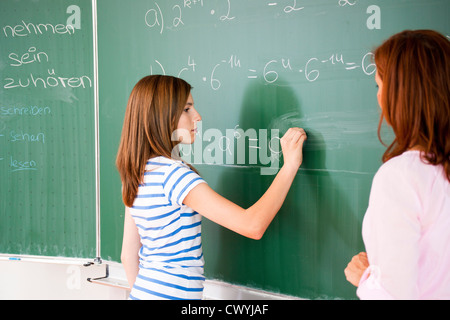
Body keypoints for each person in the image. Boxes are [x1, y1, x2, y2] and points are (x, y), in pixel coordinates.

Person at [117, 75, 307, 300]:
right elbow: (253, 225)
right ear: (162, 116)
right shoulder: (174, 176)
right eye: (187, 109)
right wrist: (290, 166)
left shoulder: (138, 172)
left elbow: (128, 255)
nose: (197, 116)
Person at [344, 30, 450, 299]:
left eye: (380, 86)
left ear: (400, 96)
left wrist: (364, 279)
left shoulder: (401, 177)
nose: (379, 98)